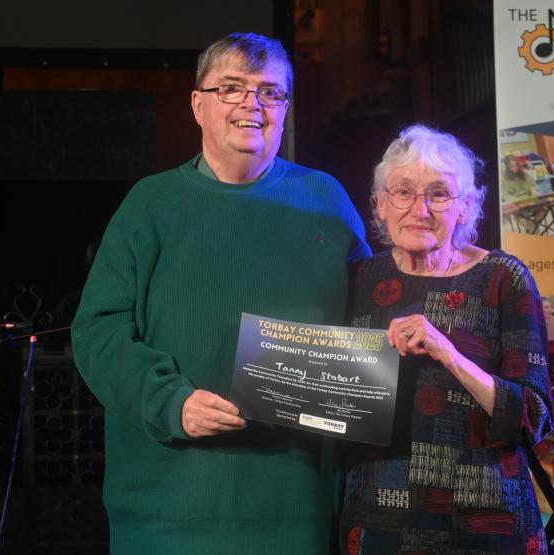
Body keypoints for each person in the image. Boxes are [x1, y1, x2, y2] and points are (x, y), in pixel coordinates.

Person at [71, 33, 371, 554]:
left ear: (285, 108)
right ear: (198, 104)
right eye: (231, 88)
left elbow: (371, 322)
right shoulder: (151, 204)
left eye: (269, 92)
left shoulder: (326, 200)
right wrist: (170, 402)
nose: (251, 104)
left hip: (296, 507)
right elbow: (98, 331)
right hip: (168, 509)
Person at [340, 125, 553, 553]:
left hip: (485, 525)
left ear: (466, 206)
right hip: (380, 521)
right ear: (380, 204)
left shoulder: (503, 278)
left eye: (438, 194)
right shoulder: (360, 279)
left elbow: (534, 416)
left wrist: (449, 354)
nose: (419, 209)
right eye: (403, 192)